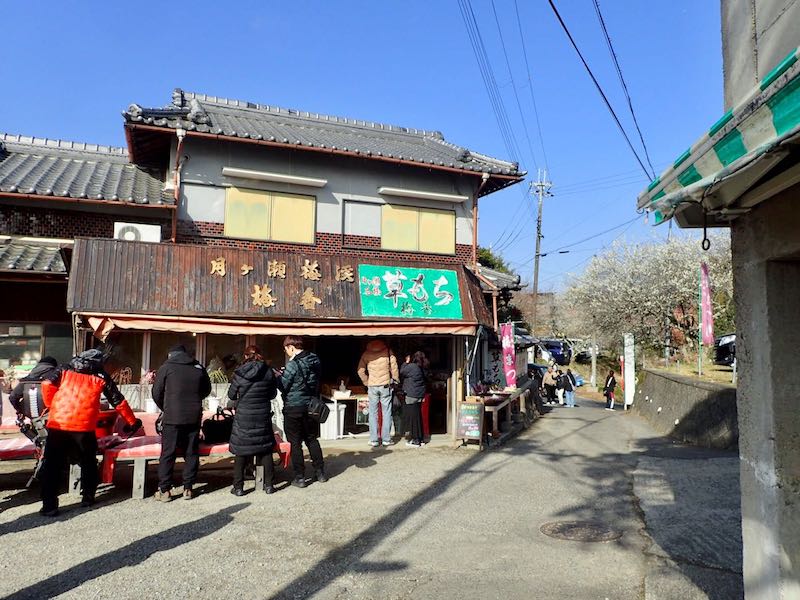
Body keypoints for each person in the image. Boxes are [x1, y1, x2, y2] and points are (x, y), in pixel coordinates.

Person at [38, 349, 141, 516]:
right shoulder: (100, 376)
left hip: (59, 423)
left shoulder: (64, 369)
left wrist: (52, 405)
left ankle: (49, 505)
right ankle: (88, 496)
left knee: (52, 464)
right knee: (88, 462)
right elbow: (118, 401)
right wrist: (132, 421)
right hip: (84, 426)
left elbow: (46, 384)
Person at [152, 345, 211, 502]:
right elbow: (206, 390)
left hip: (172, 416)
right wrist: (194, 399)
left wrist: (166, 407)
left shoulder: (166, 367)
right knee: (191, 452)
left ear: (171, 354)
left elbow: (156, 392)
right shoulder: (198, 367)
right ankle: (188, 488)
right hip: (193, 416)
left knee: (168, 453)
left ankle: (165, 490)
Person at [227, 345, 278, 496]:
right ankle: (269, 485)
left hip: (244, 416)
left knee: (241, 450)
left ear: (245, 356)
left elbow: (231, 395)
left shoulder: (240, 372)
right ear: (260, 355)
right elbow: (273, 394)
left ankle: (238, 487)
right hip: (262, 414)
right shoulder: (267, 371)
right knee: (265, 449)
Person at [277, 335, 326, 488]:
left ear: (291, 347)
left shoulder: (292, 365)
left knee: (295, 442)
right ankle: (320, 472)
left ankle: (300, 477)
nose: (286, 352)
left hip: (293, 407)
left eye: (286, 349)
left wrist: (278, 377)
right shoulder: (315, 360)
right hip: (311, 407)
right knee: (312, 439)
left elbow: (283, 386)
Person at [357, 339, 399, 447]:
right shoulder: (388, 351)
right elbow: (394, 367)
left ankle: (374, 440)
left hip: (372, 386)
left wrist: (366, 382)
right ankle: (386, 439)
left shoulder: (366, 353)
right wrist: (395, 380)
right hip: (385, 385)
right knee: (386, 412)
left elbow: (360, 370)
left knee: (372, 413)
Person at [400, 351, 428, 448]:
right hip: (419, 394)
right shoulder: (423, 367)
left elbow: (402, 371)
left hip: (412, 394)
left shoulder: (412, 367)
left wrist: (406, 362)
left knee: (413, 418)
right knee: (418, 417)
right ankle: (421, 438)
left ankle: (415, 440)